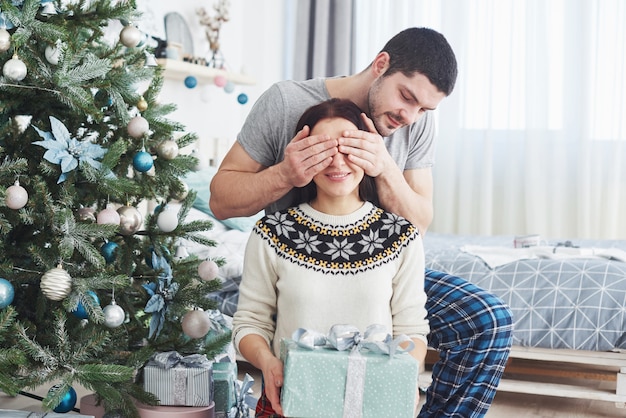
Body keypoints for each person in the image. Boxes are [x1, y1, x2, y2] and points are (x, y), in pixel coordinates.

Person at [211, 27, 514, 417]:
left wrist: (386, 167)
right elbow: (220, 200)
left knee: (486, 320)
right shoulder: (286, 103)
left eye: (424, 109)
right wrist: (285, 174)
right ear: (381, 65)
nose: (410, 116)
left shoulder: (415, 123)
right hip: (298, 268)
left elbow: (419, 223)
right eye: (406, 97)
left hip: (380, 266)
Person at [232, 98, 429, 417]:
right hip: (290, 402)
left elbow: (412, 330)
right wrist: (268, 362)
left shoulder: (402, 236)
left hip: (372, 402)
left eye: (349, 148)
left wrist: (406, 377)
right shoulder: (271, 232)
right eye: (322, 151)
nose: (337, 163)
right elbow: (249, 322)